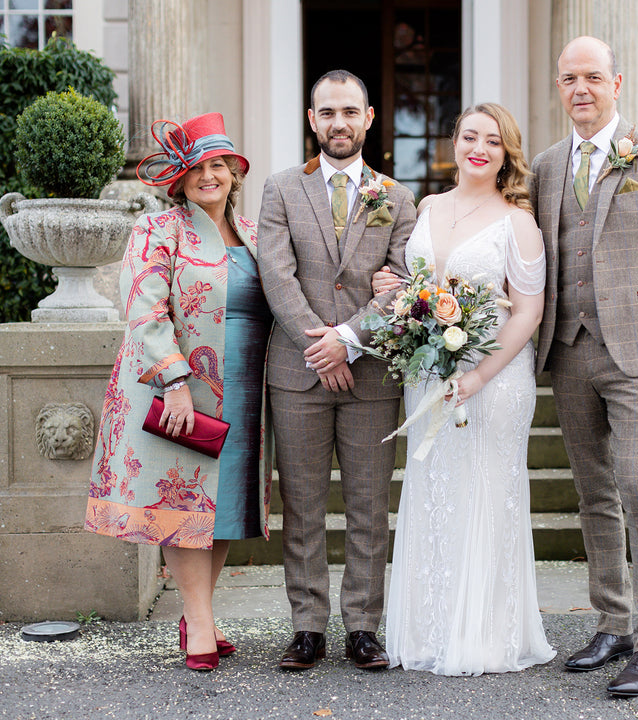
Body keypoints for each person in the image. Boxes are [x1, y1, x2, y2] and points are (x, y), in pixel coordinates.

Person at [530, 37, 638, 696]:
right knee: (594, 494)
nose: (581, 88)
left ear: (617, 83)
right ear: (560, 85)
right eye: (569, 77)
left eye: (593, 77)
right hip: (569, 351)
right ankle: (613, 622)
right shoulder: (548, 166)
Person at [84, 112, 271, 672]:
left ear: (234, 174)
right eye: (198, 167)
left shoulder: (257, 235)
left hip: (244, 386)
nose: (209, 176)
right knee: (183, 504)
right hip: (182, 388)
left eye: (219, 165)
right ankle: (200, 625)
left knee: (226, 508)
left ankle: (201, 614)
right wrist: (175, 380)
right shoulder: (158, 230)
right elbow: (143, 307)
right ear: (180, 178)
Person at [373, 102, 556, 676]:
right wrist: (396, 288)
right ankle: (429, 629)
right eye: (470, 136)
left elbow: (528, 311)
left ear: (507, 155)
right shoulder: (427, 207)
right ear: (454, 142)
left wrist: (478, 375)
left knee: (483, 492)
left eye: (493, 141)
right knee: (432, 490)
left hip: (493, 378)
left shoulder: (516, 221)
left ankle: (482, 634)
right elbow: (419, 286)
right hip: (428, 373)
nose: (479, 147)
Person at [257, 70, 416, 671]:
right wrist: (319, 345)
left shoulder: (398, 198)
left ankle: (363, 628)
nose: (339, 123)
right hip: (297, 374)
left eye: (350, 112)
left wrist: (347, 341)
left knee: (369, 508)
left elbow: (400, 282)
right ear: (311, 118)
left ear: (369, 118)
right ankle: (306, 628)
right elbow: (278, 276)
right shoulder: (279, 190)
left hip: (372, 374)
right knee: (301, 506)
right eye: (328, 112)